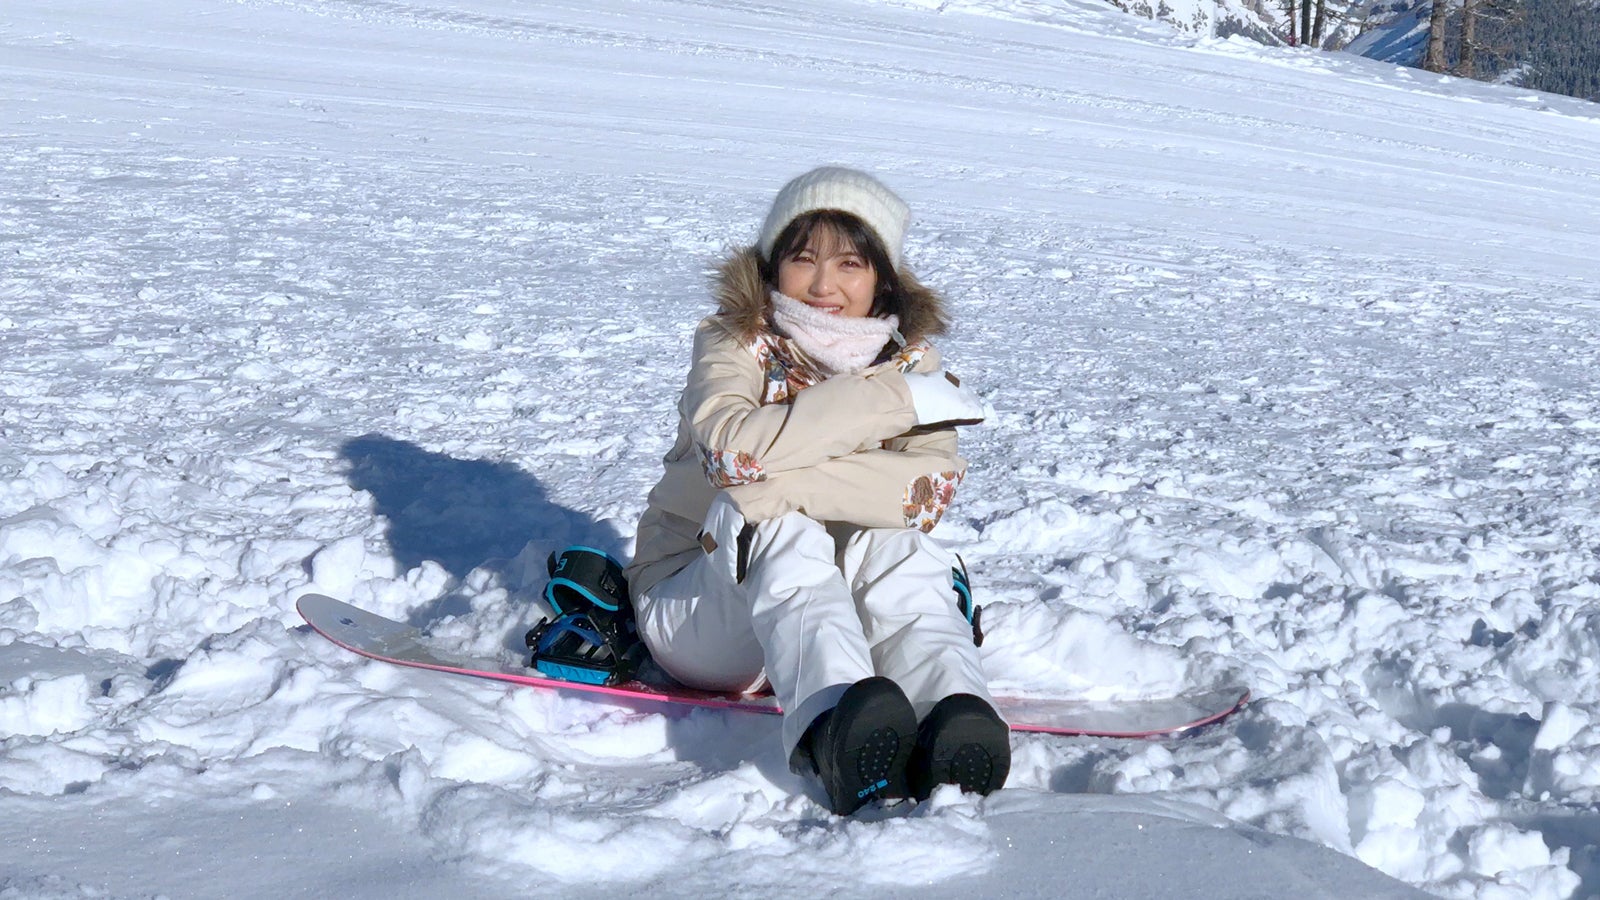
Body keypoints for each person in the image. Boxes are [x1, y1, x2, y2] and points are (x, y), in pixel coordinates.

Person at [625, 166, 1009, 815]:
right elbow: (730, 450)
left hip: (846, 605)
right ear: (775, 265)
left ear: (883, 277)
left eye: (851, 264)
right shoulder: (734, 342)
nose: (824, 284)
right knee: (782, 527)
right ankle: (838, 728)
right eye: (804, 259)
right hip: (701, 610)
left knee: (900, 547)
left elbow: (927, 494)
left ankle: (951, 715)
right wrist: (886, 400)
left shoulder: (913, 361)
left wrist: (774, 481)